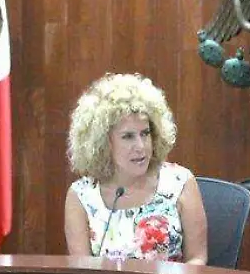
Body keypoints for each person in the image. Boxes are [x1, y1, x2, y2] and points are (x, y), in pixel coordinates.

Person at [64, 73, 208, 264]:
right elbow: (82, 273)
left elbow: (197, 259)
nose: (141, 146)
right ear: (103, 143)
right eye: (128, 136)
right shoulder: (81, 196)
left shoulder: (180, 183)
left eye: (145, 133)